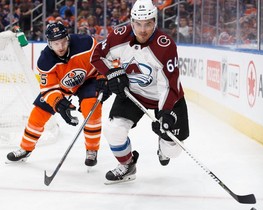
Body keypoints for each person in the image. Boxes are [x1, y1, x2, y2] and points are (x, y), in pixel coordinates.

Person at [91, 0, 189, 183]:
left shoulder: (165, 46)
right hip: (133, 93)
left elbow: (170, 85)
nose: (143, 30)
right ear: (131, 21)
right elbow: (97, 56)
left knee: (173, 150)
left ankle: (163, 145)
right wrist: (111, 75)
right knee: (114, 130)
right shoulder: (119, 36)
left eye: (148, 24)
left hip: (165, 97)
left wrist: (166, 114)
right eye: (138, 24)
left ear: (155, 22)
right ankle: (127, 165)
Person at [7, 22, 111, 168]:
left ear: (68, 38)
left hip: (89, 79)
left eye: (63, 42)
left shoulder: (86, 43)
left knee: (91, 108)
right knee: (38, 112)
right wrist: (58, 103)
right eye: (56, 43)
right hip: (62, 87)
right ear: (49, 43)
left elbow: (104, 58)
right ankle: (25, 148)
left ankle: (92, 150)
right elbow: (48, 88)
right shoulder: (45, 60)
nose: (60, 47)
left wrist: (103, 77)